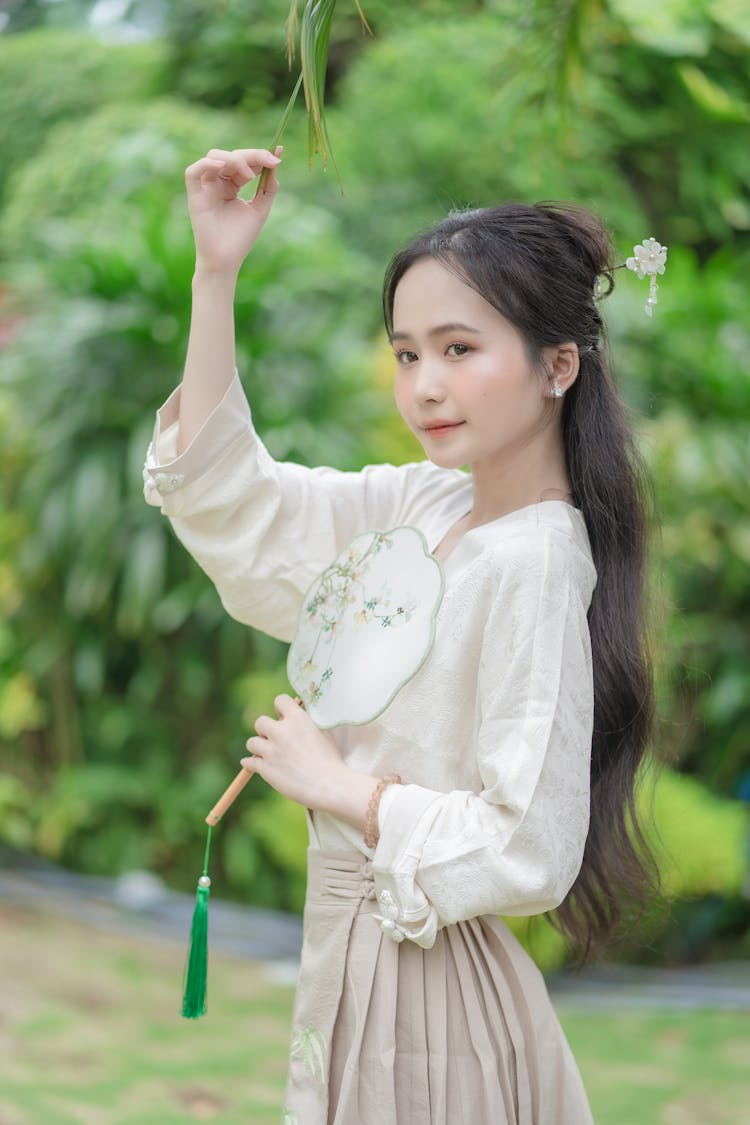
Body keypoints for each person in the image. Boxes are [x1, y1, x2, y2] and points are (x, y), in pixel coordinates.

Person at [143, 146, 657, 1124]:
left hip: (431, 999)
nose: (423, 384)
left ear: (558, 365)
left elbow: (531, 844)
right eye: (408, 351)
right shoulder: (419, 505)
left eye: (460, 350)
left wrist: (340, 787)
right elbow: (234, 498)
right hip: (350, 954)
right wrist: (217, 273)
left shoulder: (536, 561)